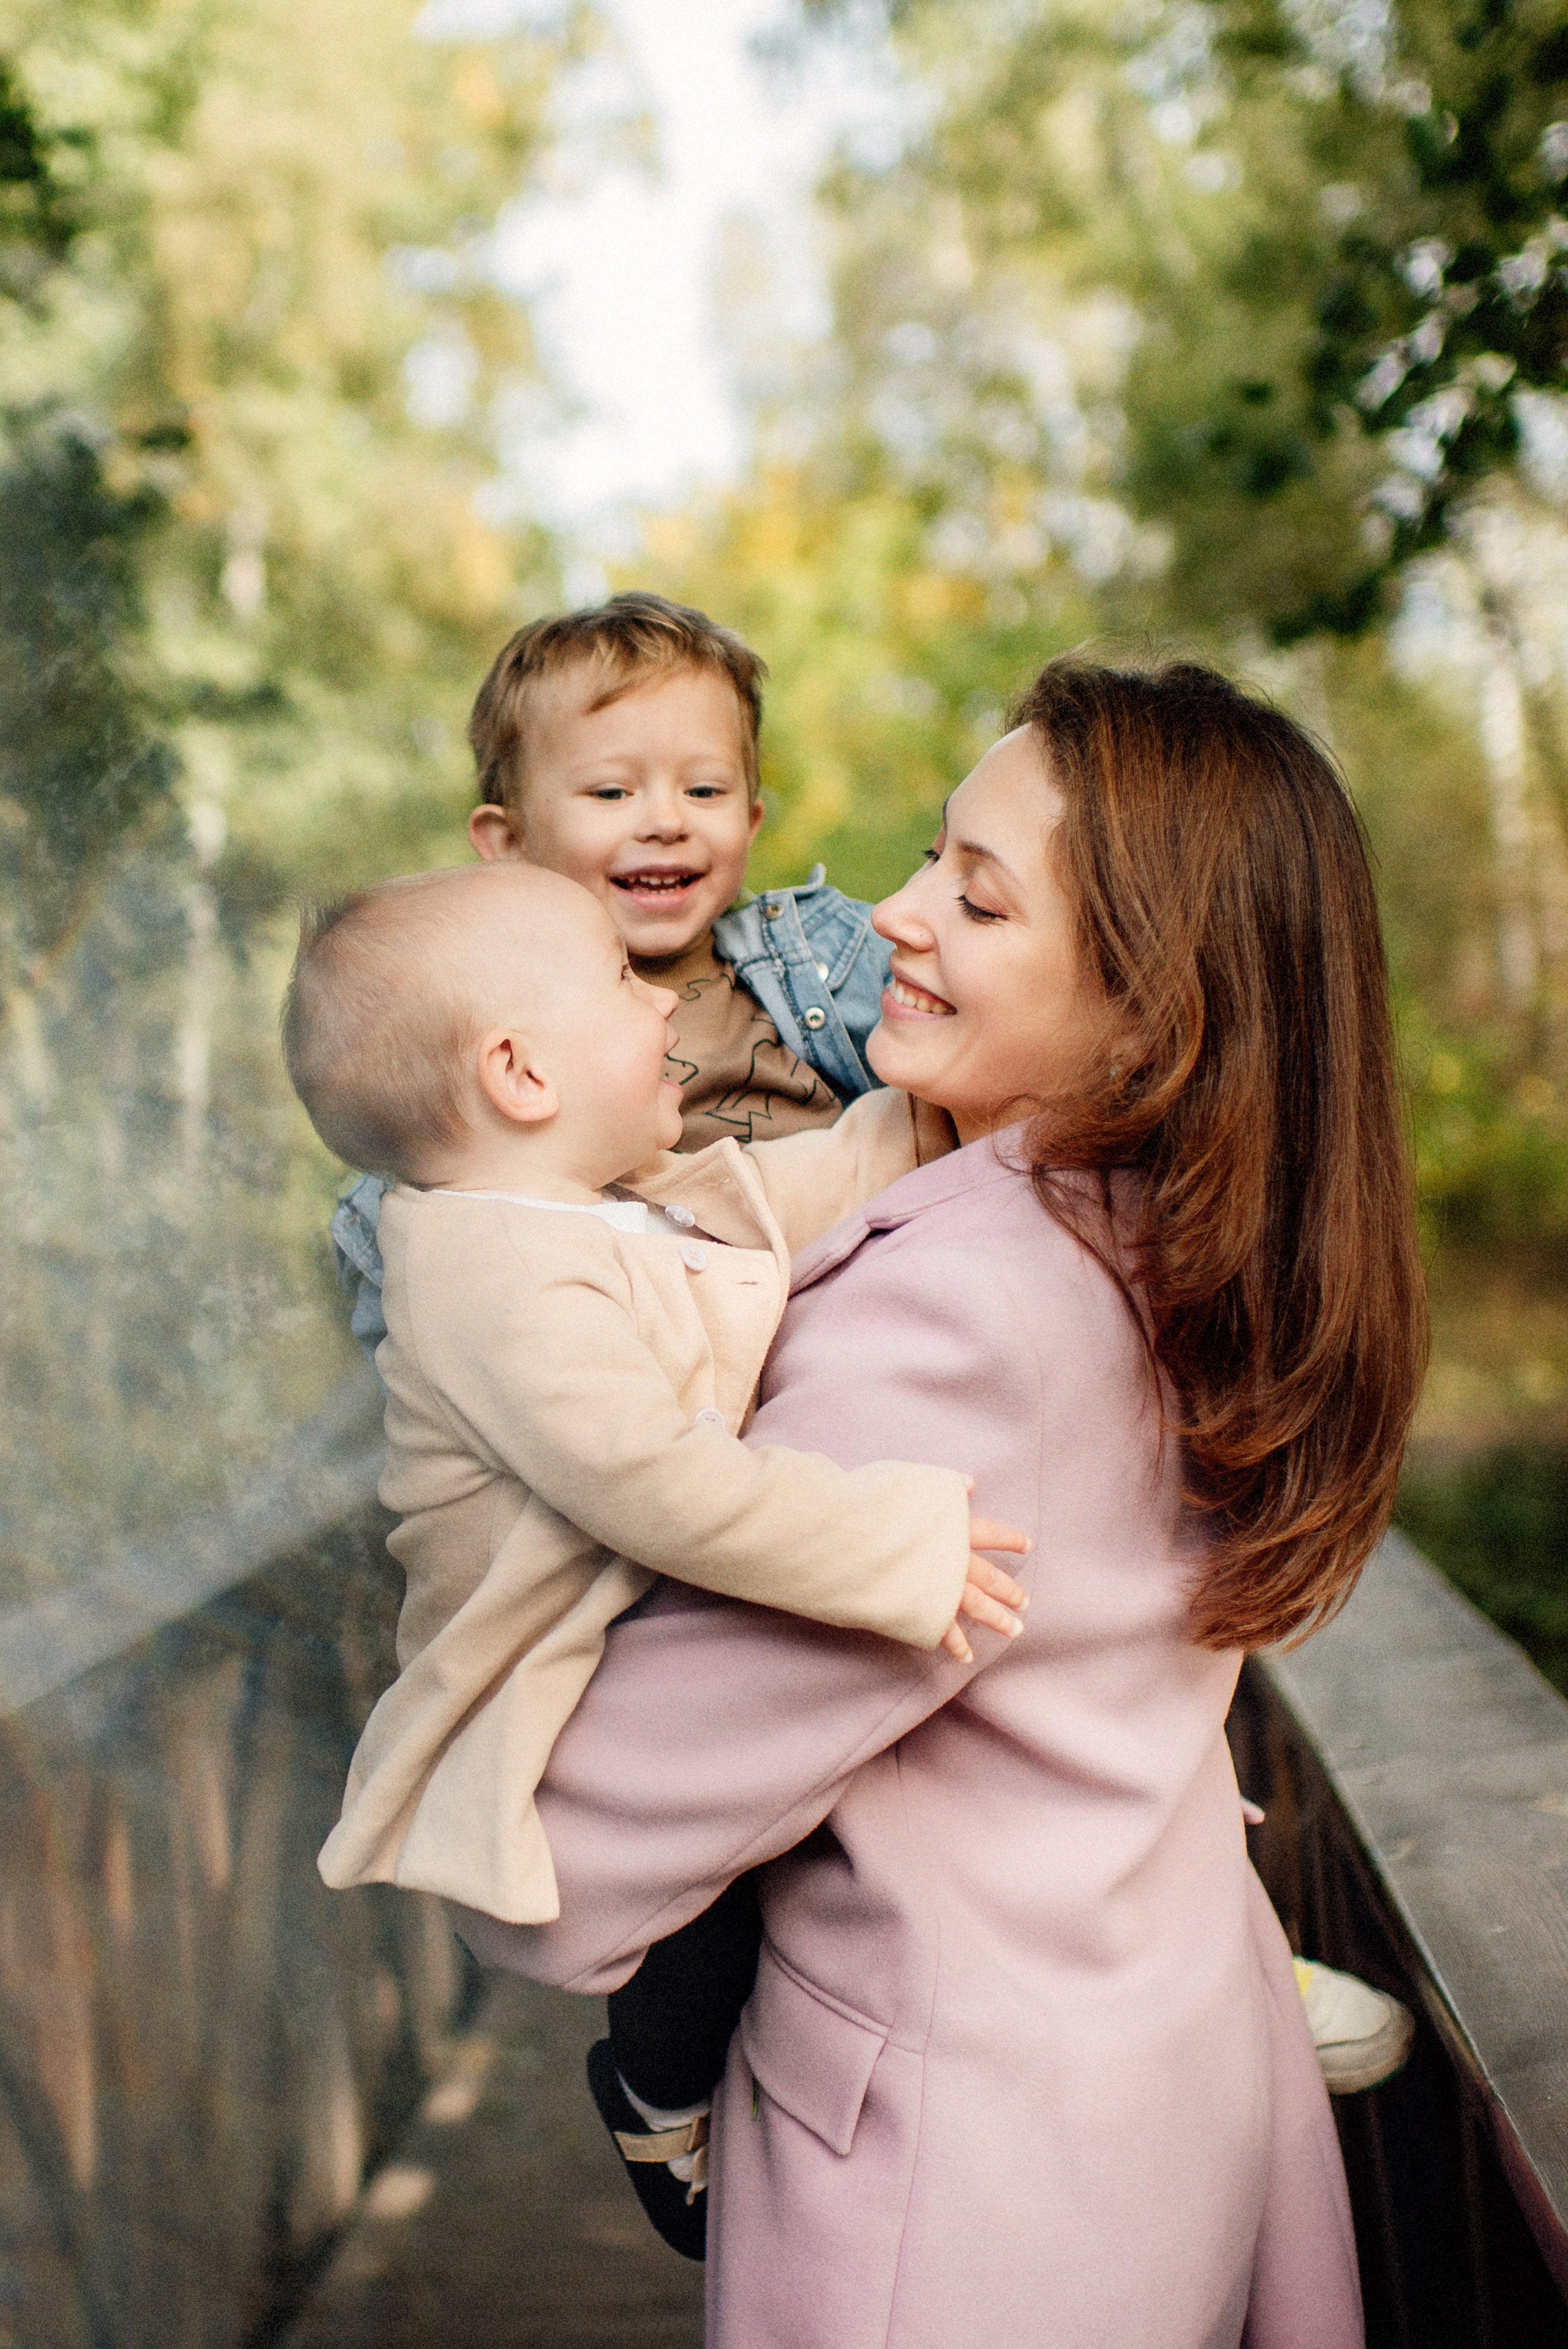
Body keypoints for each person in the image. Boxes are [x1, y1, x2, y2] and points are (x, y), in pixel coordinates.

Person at [453, 658, 1430, 2348]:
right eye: (930, 857)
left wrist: (483, 1828)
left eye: (976, 897)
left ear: (1156, 1001)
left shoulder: (960, 1312)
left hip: (957, 2198)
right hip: (1150, 2076)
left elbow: (648, 1770)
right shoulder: (1192, 1251)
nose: (896, 913)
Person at [281, 859, 1029, 2200]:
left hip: (631, 1638)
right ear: (521, 1076)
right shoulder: (486, 1277)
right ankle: (655, 2092)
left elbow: (749, 1217)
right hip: (548, 1694)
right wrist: (889, 1546)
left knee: (798, 1836)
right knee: (703, 1910)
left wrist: (922, 1125)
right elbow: (658, 1486)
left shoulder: (568, 1213)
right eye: (623, 984)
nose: (665, 1005)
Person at [329, 590, 891, 1357]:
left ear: (751, 822)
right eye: (611, 792)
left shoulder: (820, 957)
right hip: (645, 1377)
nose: (666, 820)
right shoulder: (482, 1023)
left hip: (844, 1325)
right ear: (510, 839)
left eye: (704, 790)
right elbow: (413, 1250)